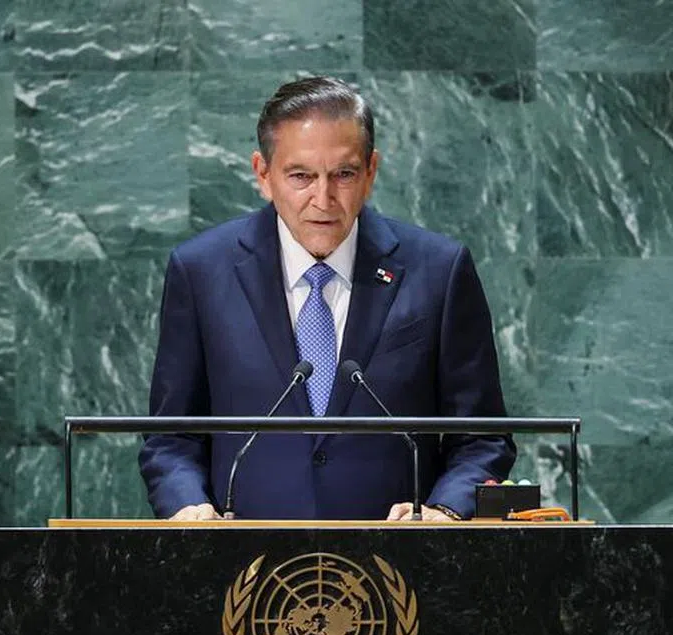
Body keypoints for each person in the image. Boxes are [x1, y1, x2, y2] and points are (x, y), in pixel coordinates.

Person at [139, 76, 515, 521]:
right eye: (301, 176)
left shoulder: (439, 270)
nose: (323, 198)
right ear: (263, 174)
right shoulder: (201, 271)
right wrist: (188, 507)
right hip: (244, 571)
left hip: (402, 567)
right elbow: (171, 437)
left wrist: (444, 510)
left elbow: (482, 437)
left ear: (371, 171)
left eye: (344, 175)